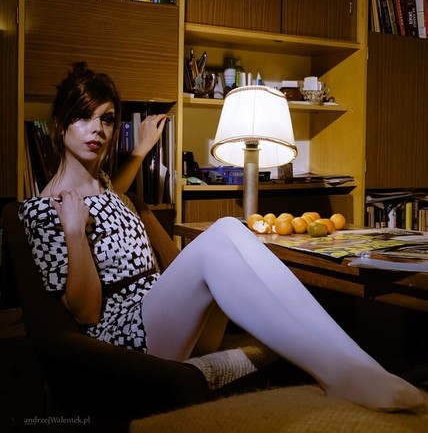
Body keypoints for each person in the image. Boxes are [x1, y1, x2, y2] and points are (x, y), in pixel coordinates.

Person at [19, 62, 425, 413]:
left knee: (231, 231)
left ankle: (359, 367)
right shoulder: (43, 209)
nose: (97, 129)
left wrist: (141, 149)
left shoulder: (106, 187)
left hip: (171, 319)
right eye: (83, 117)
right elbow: (87, 314)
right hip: (128, 341)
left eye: (107, 119)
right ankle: (341, 373)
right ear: (60, 124)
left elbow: (113, 196)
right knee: (223, 234)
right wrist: (74, 231)